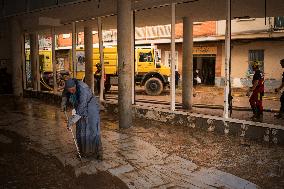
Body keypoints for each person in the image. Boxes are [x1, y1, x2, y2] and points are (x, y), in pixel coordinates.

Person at [61, 78, 102, 160]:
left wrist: (72, 120)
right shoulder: (69, 84)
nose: (72, 92)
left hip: (91, 108)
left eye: (73, 90)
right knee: (81, 129)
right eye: (70, 91)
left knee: (92, 130)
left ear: (75, 86)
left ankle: (97, 153)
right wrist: (64, 101)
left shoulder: (83, 89)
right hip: (80, 106)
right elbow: (65, 92)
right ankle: (84, 152)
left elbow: (82, 107)